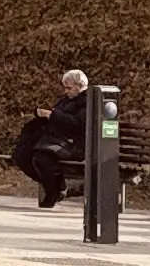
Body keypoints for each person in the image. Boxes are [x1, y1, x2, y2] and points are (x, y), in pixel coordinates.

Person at [11, 69, 92, 206]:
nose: (66, 91)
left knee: (41, 158)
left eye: (69, 88)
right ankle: (57, 186)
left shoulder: (88, 101)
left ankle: (52, 192)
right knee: (21, 156)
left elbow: (77, 124)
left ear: (80, 86)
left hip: (72, 144)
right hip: (56, 140)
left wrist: (51, 115)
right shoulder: (66, 100)